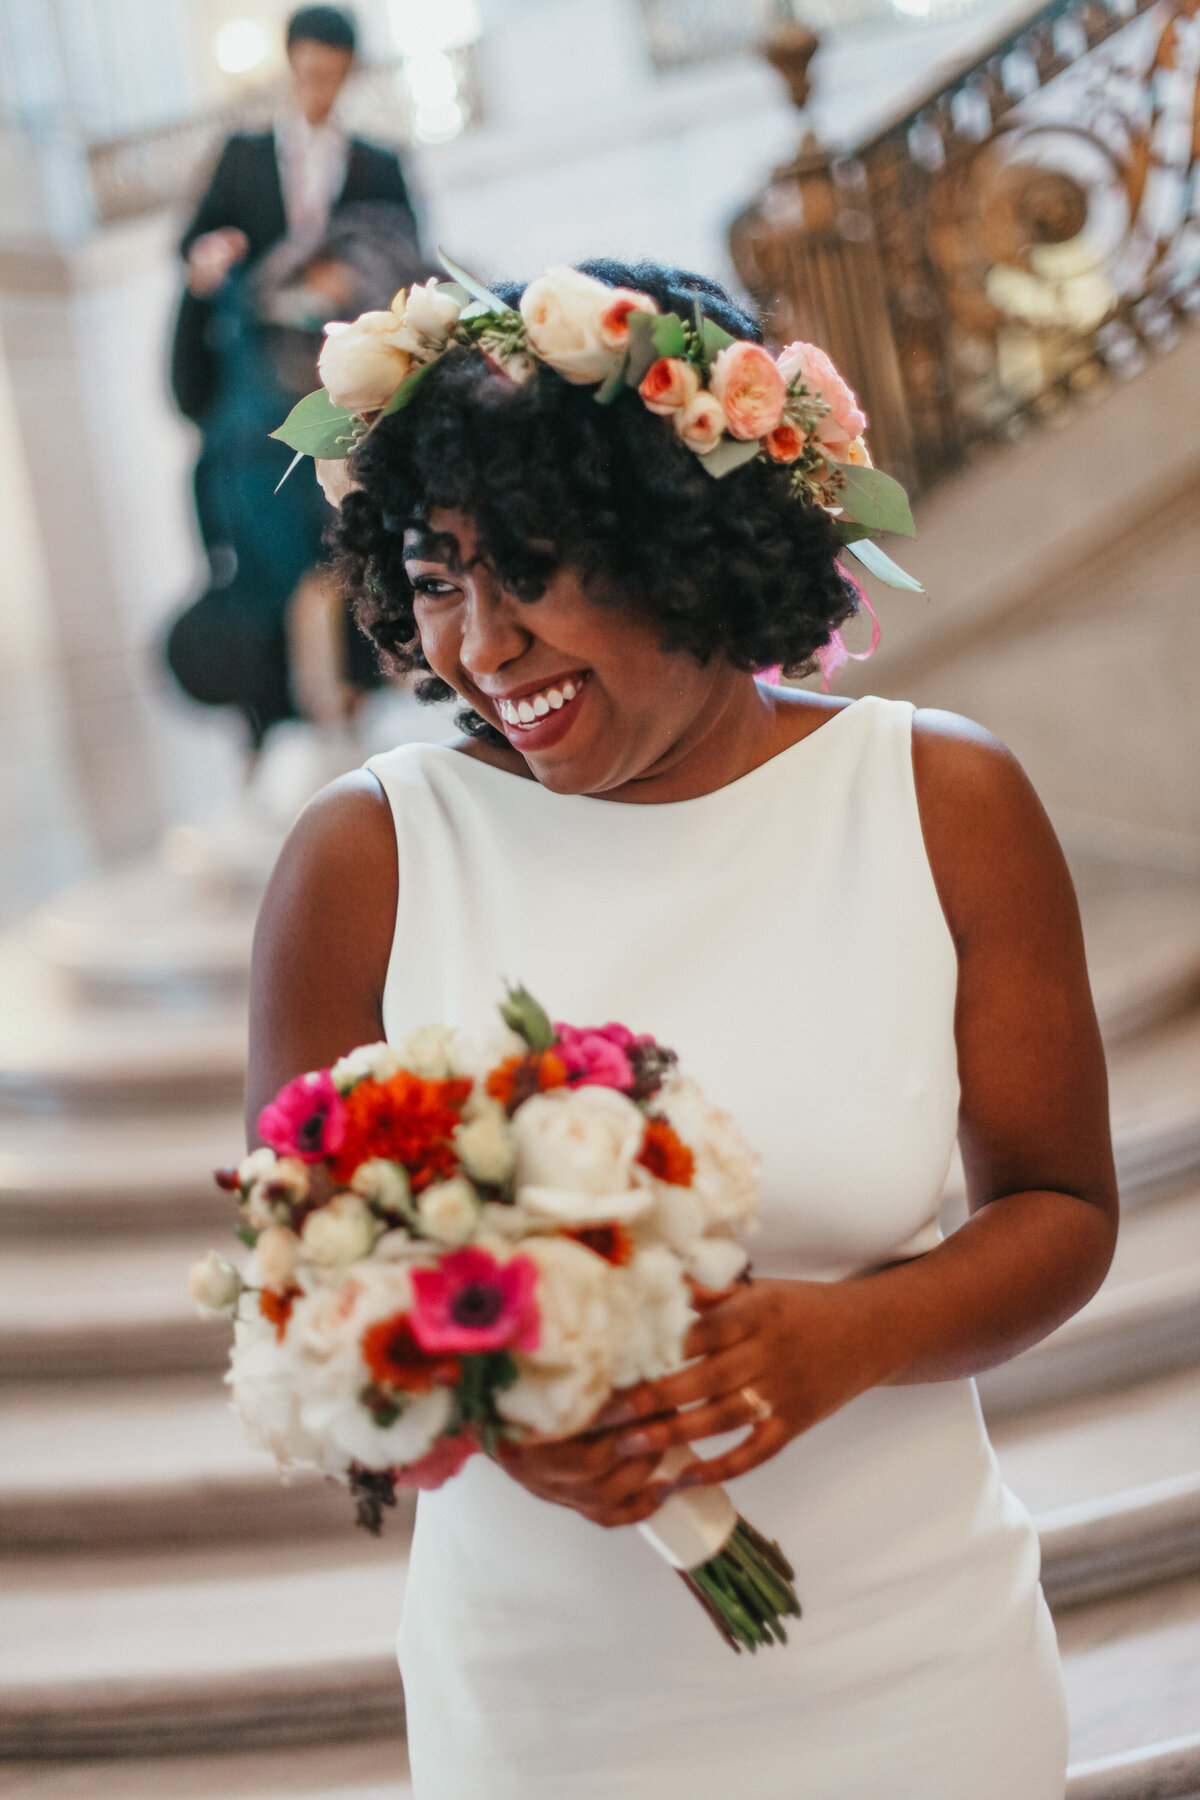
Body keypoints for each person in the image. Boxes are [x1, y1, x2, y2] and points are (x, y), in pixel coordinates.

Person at [246, 259, 1117, 1797]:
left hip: (913, 1669)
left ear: (692, 546)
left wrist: (854, 1335)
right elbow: (301, 1293)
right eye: (438, 576)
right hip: (549, 1702)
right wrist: (499, 1412)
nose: (482, 645)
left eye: (532, 567)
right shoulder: (367, 857)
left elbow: (1061, 1208)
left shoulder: (941, 800)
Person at [171, 5, 417, 423]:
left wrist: (349, 274)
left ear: (349, 72)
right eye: (310, 74)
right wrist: (210, 251)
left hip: (350, 353)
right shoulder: (243, 157)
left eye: (332, 76)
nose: (320, 89)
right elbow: (193, 239)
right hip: (264, 353)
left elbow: (405, 254)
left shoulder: (379, 164)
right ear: (290, 64)